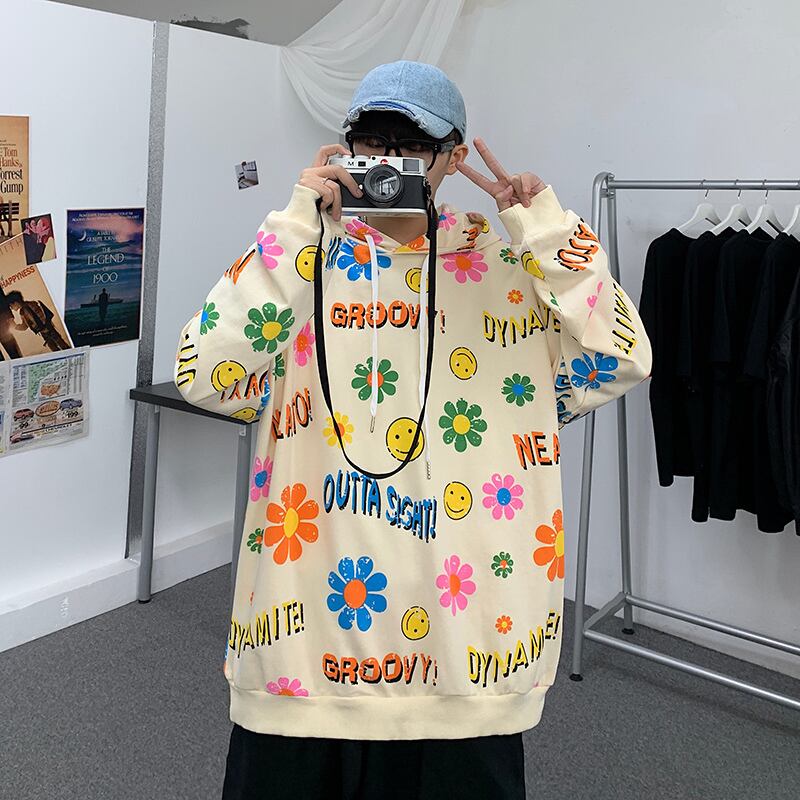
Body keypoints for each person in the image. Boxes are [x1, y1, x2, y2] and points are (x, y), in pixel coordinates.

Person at [174, 60, 652, 799]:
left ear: (454, 158)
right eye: (371, 141)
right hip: (302, 655)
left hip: (466, 661)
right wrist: (295, 227)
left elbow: (620, 358)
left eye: (412, 145)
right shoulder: (299, 263)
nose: (389, 161)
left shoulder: (510, 268)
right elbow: (204, 374)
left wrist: (546, 229)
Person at [7, 291, 71, 352]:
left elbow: (40, 318)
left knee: (61, 346)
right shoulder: (25, 310)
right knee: (57, 347)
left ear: (16, 303)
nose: (11, 308)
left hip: (48, 330)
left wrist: (45, 328)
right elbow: (25, 326)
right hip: (45, 332)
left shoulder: (27, 308)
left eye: (11, 306)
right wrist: (15, 326)